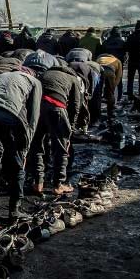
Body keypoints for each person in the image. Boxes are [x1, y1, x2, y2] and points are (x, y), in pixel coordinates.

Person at [0, 71, 42, 221]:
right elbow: (33, 118)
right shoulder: (35, 82)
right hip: (10, 113)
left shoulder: (1, 76)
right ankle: (14, 210)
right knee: (16, 164)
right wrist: (25, 150)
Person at [29, 66, 82, 196]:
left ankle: (38, 182)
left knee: (37, 145)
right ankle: (58, 184)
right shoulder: (73, 79)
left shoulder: (45, 74)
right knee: (61, 147)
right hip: (56, 108)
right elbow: (75, 105)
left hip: (37, 108)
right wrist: (70, 130)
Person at [124, 20, 140, 99]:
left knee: (130, 78)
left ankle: (130, 94)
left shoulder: (131, 36)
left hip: (132, 59)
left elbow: (126, 48)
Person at [102, 27, 126, 101]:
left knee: (107, 80)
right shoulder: (122, 41)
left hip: (107, 63)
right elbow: (125, 51)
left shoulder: (106, 41)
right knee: (119, 79)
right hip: (119, 63)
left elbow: (102, 51)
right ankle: (119, 96)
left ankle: (107, 95)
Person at [96, 54, 123, 119]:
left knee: (97, 92)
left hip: (99, 70)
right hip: (110, 71)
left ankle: (97, 111)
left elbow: (94, 68)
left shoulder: (99, 59)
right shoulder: (117, 60)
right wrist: (113, 87)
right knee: (110, 93)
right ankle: (110, 112)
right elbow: (119, 76)